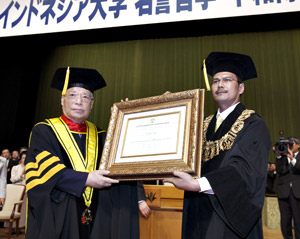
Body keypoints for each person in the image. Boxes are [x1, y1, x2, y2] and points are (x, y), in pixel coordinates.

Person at [25, 67, 145, 239]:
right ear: (62, 100)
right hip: (61, 215)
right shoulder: (44, 131)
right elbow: (44, 172)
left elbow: (124, 164)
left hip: (99, 217)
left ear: (92, 103)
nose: (79, 101)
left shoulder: (102, 135)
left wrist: (121, 124)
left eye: (85, 97)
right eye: (73, 95)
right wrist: (87, 179)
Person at [165, 52, 271, 239]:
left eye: (227, 80)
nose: (220, 85)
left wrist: (198, 185)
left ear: (241, 87)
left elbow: (245, 170)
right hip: (196, 212)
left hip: (229, 217)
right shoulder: (200, 125)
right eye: (215, 81)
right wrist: (169, 111)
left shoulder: (253, 124)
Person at [275, 137, 300, 239]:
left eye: (292, 144)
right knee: (285, 221)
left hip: (297, 192)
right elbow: (280, 171)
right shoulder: (283, 157)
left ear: (298, 145)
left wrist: (292, 159)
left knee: (298, 220)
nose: (289, 146)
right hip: (284, 193)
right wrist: (279, 157)